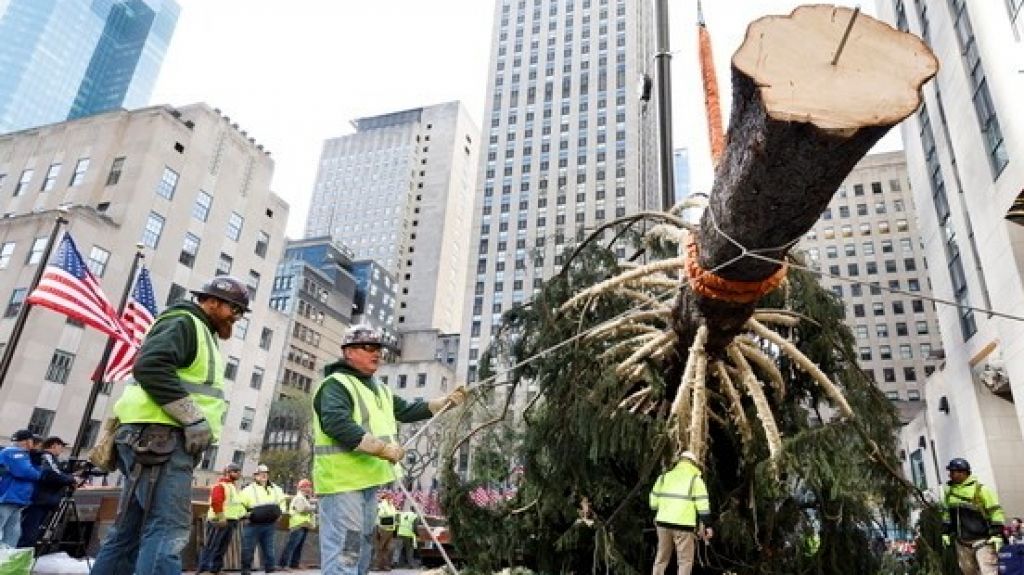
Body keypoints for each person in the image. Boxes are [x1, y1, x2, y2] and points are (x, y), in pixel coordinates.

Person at [90, 276, 249, 575]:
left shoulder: (199, 330)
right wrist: (193, 417)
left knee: (128, 533)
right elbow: (150, 366)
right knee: (169, 529)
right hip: (160, 440)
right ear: (212, 302)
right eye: (234, 309)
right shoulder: (185, 322)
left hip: (151, 439)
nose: (236, 317)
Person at [312, 324, 467, 575]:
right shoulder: (336, 384)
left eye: (379, 349)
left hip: (368, 482)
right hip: (342, 484)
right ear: (348, 352)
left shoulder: (379, 388)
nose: (377, 354)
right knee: (346, 551)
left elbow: (405, 410)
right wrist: (382, 449)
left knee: (361, 548)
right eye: (369, 347)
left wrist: (441, 405)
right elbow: (336, 424)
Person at [649, 450, 713, 575]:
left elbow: (653, 504)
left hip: (662, 524)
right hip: (684, 526)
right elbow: (703, 506)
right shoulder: (695, 480)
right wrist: (708, 525)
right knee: (685, 561)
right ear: (694, 463)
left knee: (661, 558)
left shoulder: (663, 478)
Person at [942, 457, 1004, 575]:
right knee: (968, 572)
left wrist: (997, 534)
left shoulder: (981, 490)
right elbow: (947, 514)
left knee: (989, 572)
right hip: (961, 543)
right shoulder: (949, 492)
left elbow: (996, 512)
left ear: (963, 472)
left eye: (952, 472)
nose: (950, 475)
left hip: (983, 541)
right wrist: (945, 532)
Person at [18, 436, 76, 548]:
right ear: (54, 445)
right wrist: (71, 479)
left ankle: (22, 558)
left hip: (43, 501)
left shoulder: (49, 459)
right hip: (39, 501)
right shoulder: (46, 457)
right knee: (28, 534)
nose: (62, 449)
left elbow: (57, 473)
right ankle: (18, 560)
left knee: (31, 534)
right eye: (61, 446)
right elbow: (52, 474)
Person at [197, 462, 245, 575]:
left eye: (239, 472)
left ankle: (215, 569)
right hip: (219, 521)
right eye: (236, 472)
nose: (238, 474)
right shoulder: (220, 486)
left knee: (221, 547)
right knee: (212, 546)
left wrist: (242, 514)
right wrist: (221, 517)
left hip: (231, 521)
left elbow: (235, 505)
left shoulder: (232, 487)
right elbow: (216, 502)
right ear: (228, 472)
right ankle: (205, 569)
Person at [239, 464, 286, 575]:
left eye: (265, 473)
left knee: (269, 549)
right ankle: (245, 570)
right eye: (260, 473)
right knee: (248, 549)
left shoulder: (277, 489)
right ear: (255, 476)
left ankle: (270, 569)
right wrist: (245, 514)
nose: (263, 475)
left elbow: (282, 502)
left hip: (269, 524)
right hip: (253, 524)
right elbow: (240, 505)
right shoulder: (247, 490)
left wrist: (280, 513)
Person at [0, 429, 42, 547]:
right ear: (28, 441)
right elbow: (25, 472)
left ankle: (5, 559)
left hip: (15, 499)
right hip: (8, 498)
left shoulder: (16, 453)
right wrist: (38, 472)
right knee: (9, 533)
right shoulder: (15, 452)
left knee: (12, 533)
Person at [279, 478, 316, 571]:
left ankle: (294, 564)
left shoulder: (305, 498)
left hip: (304, 524)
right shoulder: (299, 497)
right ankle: (283, 564)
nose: (309, 489)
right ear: (302, 488)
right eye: (307, 487)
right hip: (298, 524)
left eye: (310, 487)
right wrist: (312, 508)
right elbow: (301, 509)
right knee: (292, 545)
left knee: (299, 546)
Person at [371, 491, 398, 571]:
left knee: (387, 549)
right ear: (386, 497)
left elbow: (394, 515)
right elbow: (381, 514)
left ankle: (385, 566)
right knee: (379, 548)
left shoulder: (391, 506)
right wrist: (391, 516)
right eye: (389, 496)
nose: (391, 498)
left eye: (391, 497)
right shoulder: (381, 505)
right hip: (382, 528)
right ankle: (376, 566)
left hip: (390, 529)